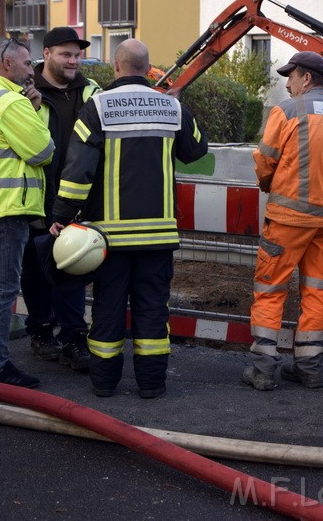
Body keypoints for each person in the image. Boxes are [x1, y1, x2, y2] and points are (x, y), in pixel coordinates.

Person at [51, 38, 208, 398]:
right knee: (153, 309)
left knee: (107, 307)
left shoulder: (97, 108)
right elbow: (197, 149)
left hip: (109, 239)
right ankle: (152, 384)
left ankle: (104, 384)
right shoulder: (170, 107)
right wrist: (180, 109)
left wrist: (62, 215)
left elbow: (78, 172)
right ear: (147, 67)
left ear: (116, 67)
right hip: (157, 237)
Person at [242, 52, 323, 391]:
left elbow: (265, 164)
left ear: (306, 78)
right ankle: (310, 368)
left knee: (269, 290)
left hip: (285, 221)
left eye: (291, 76)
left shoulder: (286, 111)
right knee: (316, 292)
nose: (287, 82)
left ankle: (263, 370)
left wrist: (272, 185)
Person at [0, 38, 54, 387]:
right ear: (7, 65)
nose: (33, 71)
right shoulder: (11, 102)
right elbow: (43, 150)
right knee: (2, 290)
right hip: (5, 209)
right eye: (28, 64)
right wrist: (34, 110)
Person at [21, 27, 100, 371]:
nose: (73, 61)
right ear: (47, 54)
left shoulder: (92, 91)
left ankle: (73, 337)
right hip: (36, 196)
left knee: (71, 265)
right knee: (34, 268)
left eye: (77, 55)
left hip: (76, 196)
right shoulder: (25, 93)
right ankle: (40, 331)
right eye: (66, 54)